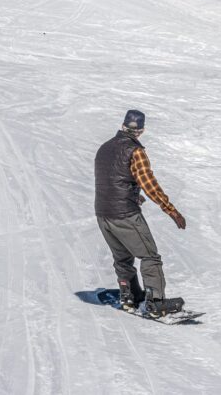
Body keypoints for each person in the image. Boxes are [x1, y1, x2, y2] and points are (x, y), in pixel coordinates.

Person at [95, 110, 187, 316]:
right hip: (124, 214)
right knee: (150, 256)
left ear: (123, 125)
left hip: (103, 213)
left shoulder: (104, 148)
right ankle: (155, 302)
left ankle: (129, 295)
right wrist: (171, 211)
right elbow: (150, 185)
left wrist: (134, 196)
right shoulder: (134, 151)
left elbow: (111, 180)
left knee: (122, 257)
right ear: (141, 130)